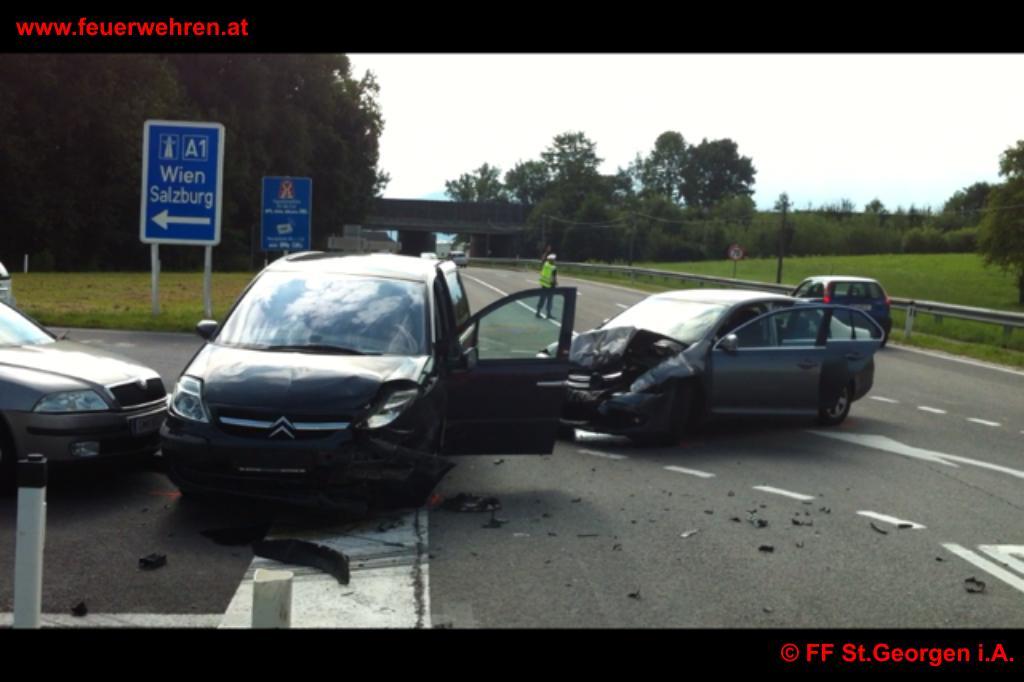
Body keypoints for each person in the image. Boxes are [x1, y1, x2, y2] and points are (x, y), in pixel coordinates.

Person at [535, 253, 558, 318]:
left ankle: (538, 312)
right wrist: (556, 283)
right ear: (552, 260)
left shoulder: (545, 264)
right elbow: (553, 278)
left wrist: (546, 252)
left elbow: (542, 260)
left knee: (542, 299)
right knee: (550, 301)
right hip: (550, 286)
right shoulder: (553, 268)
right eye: (554, 259)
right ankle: (548, 314)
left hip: (544, 285)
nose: (555, 261)